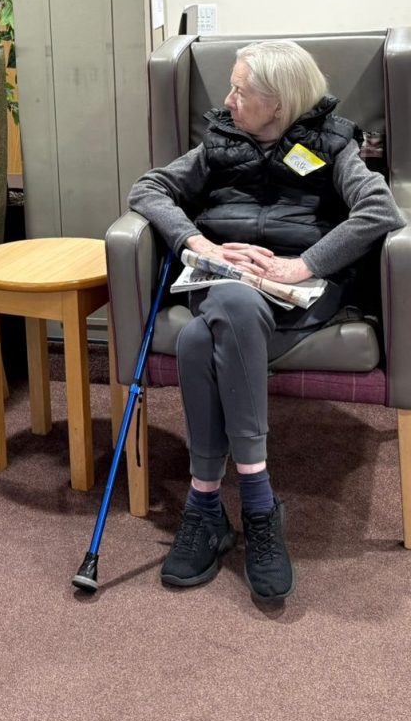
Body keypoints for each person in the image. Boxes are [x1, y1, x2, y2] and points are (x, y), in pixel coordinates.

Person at [129, 39, 404, 601]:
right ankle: (257, 502)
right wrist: (199, 243)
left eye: (240, 91)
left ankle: (208, 506)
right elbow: (148, 188)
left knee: (198, 340)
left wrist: (303, 265)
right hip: (223, 279)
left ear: (278, 103)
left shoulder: (332, 144)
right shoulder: (219, 142)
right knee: (230, 305)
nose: (227, 100)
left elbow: (381, 210)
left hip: (296, 289)